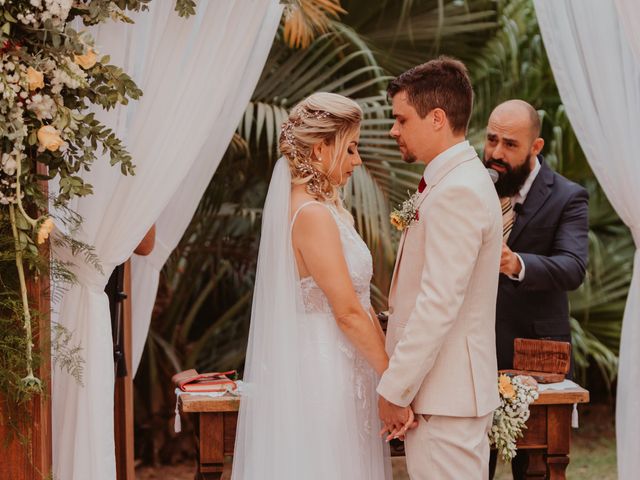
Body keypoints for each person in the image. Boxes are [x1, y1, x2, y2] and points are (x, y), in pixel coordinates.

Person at [232, 92, 400, 479]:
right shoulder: (311, 214)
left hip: (348, 368)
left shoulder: (326, 210)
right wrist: (393, 380)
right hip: (327, 373)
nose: (358, 161)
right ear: (322, 148)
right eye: (352, 148)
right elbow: (348, 311)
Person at [377, 57, 502, 479]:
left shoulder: (458, 191)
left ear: (436, 118)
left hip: (444, 398)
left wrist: (396, 388)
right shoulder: (458, 181)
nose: (394, 130)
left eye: (401, 119)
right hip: (446, 395)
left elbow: (438, 304)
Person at [483, 99, 589, 479]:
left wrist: (517, 264)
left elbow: (573, 267)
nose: (496, 152)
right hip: (473, 357)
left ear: (536, 147)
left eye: (510, 144)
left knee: (536, 471)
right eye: (491, 139)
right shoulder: (473, 187)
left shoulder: (567, 197)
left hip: (536, 362)